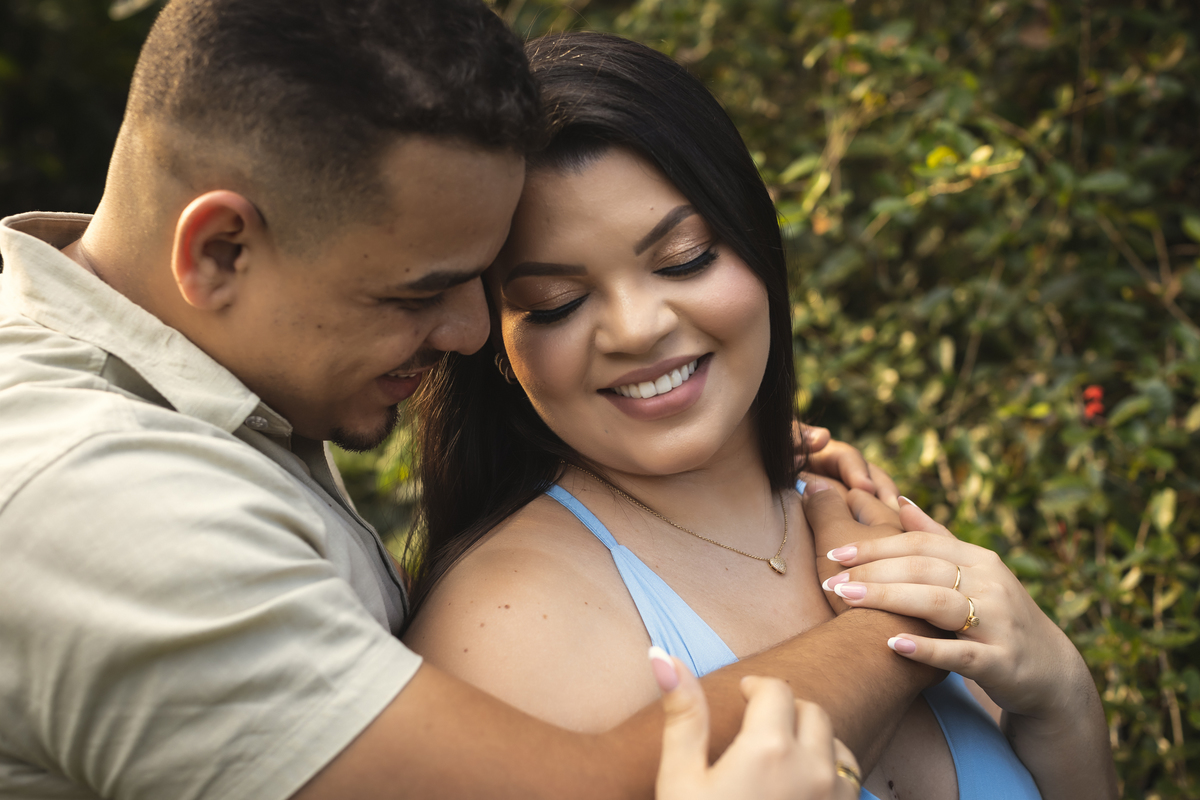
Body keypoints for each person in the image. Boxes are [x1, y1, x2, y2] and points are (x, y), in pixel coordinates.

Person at [0, 2, 935, 798]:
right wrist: (901, 611)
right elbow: (588, 786)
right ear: (219, 252)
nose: (471, 334)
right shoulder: (98, 499)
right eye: (419, 292)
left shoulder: (196, 366)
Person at [402, 31, 1117, 800]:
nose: (638, 329)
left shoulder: (859, 522)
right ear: (497, 349)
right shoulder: (504, 627)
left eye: (684, 258)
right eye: (558, 303)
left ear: (756, 247)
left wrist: (1063, 697)